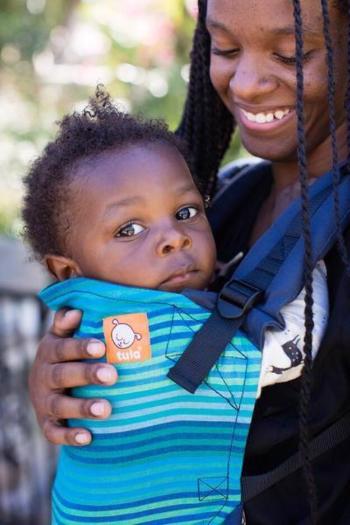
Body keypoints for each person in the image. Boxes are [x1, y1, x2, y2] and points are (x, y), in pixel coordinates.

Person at [27, 1, 350, 523]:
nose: (245, 84)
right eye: (224, 48)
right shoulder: (224, 198)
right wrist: (60, 369)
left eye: (289, 54)